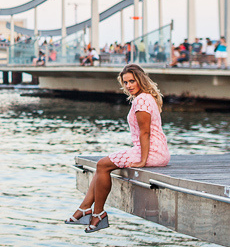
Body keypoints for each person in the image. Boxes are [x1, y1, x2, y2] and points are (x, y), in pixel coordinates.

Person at [64, 64, 169, 233]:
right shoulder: (145, 97)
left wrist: (142, 160)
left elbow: (145, 132)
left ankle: (98, 213)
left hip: (152, 151)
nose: (128, 86)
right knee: (102, 166)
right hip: (155, 149)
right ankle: (85, 208)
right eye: (125, 82)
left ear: (140, 80)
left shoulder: (142, 100)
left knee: (102, 165)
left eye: (132, 81)